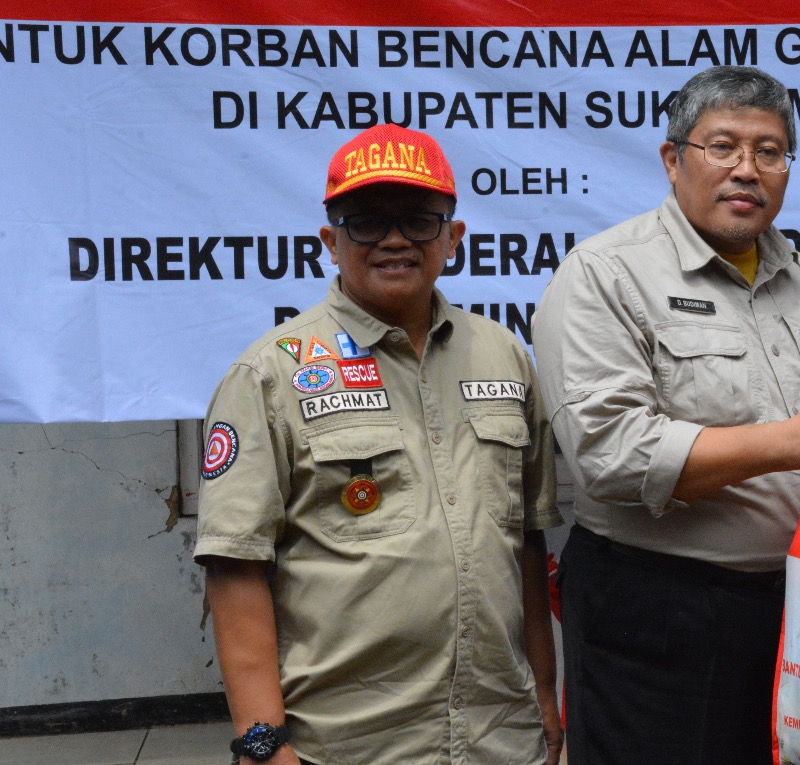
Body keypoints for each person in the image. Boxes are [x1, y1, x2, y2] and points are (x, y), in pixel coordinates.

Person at [532, 65, 800, 765]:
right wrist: (794, 442)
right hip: (659, 616)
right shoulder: (605, 274)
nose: (746, 169)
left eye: (769, 151)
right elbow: (611, 456)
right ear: (673, 159)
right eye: (721, 147)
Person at [194, 124, 563, 765]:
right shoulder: (272, 373)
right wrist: (261, 746)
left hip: (499, 739)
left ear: (453, 238)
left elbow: (526, 543)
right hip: (348, 746)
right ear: (330, 243)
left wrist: (547, 697)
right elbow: (236, 568)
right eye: (365, 221)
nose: (395, 239)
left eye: (419, 220)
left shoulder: (503, 354)